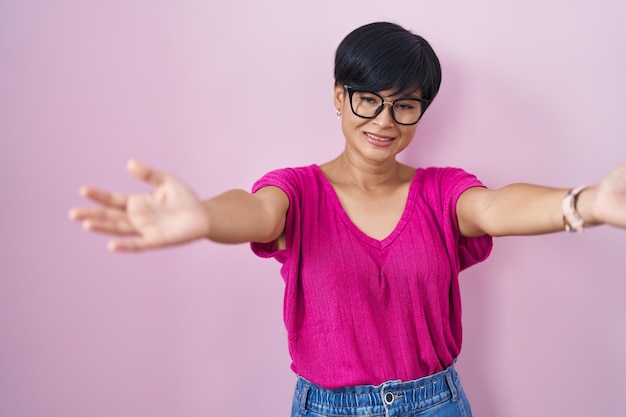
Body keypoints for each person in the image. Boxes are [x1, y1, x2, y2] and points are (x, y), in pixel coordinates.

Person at [69, 21, 626, 417]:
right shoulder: (298, 191)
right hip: (326, 408)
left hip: (435, 404)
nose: (385, 120)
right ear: (339, 97)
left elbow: (498, 206)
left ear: (420, 112)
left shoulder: (441, 191)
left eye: (404, 105)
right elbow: (257, 211)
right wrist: (206, 217)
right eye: (368, 99)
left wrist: (584, 204)